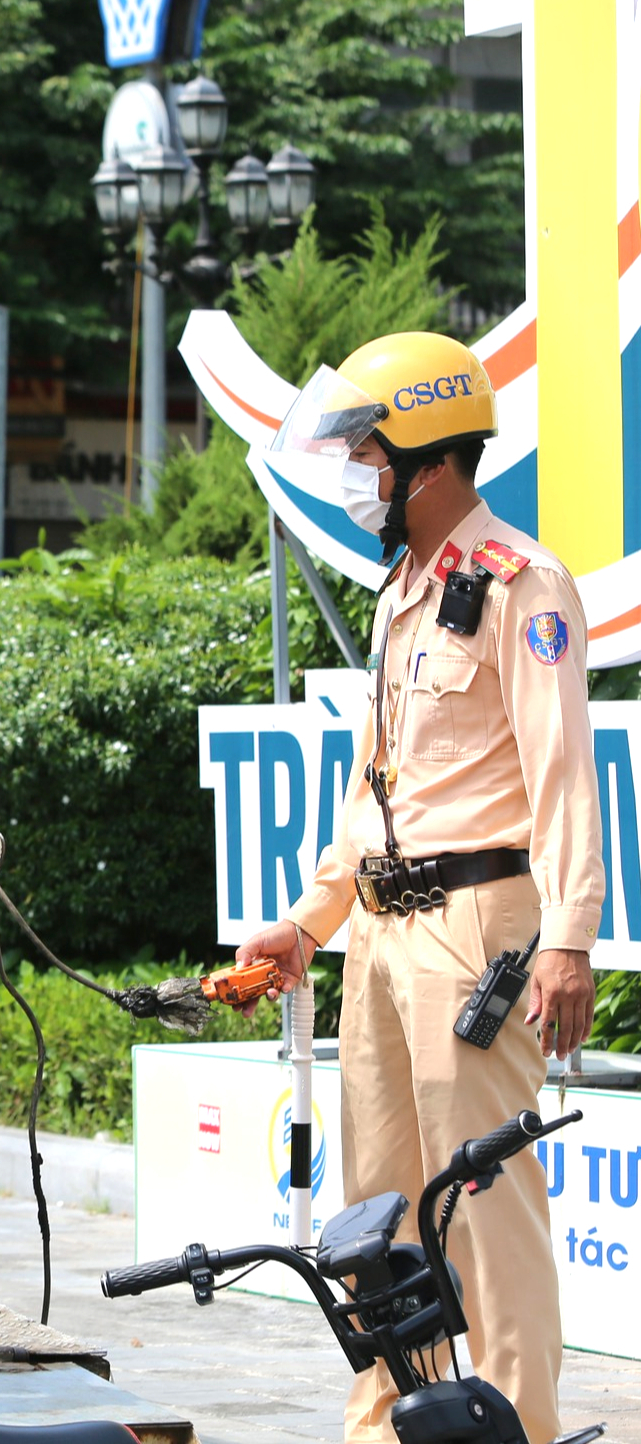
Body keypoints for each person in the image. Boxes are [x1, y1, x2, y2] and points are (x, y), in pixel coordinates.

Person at [236, 331, 602, 1443]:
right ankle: (387, 1426)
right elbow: (378, 788)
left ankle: (519, 1429)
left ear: (428, 462)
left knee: (483, 1209)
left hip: (476, 930)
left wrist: (567, 938)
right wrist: (309, 922)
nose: (355, 473)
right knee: (378, 1217)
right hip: (382, 938)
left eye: (367, 453)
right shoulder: (405, 591)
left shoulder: (520, 584)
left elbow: (561, 773)